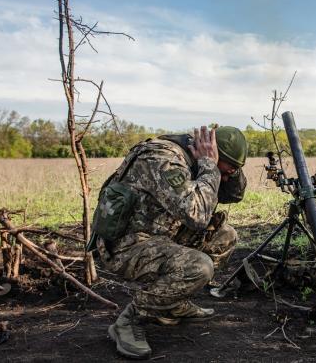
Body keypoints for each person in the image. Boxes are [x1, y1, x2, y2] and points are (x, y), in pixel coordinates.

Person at [90, 125, 247, 359]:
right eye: (224, 172)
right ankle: (129, 320)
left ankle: (171, 304)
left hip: (158, 234)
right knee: (198, 267)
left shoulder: (195, 159)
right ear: (211, 155)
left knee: (224, 236)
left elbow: (232, 195)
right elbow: (198, 215)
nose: (223, 178)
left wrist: (226, 172)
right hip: (126, 245)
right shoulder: (163, 159)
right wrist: (209, 167)